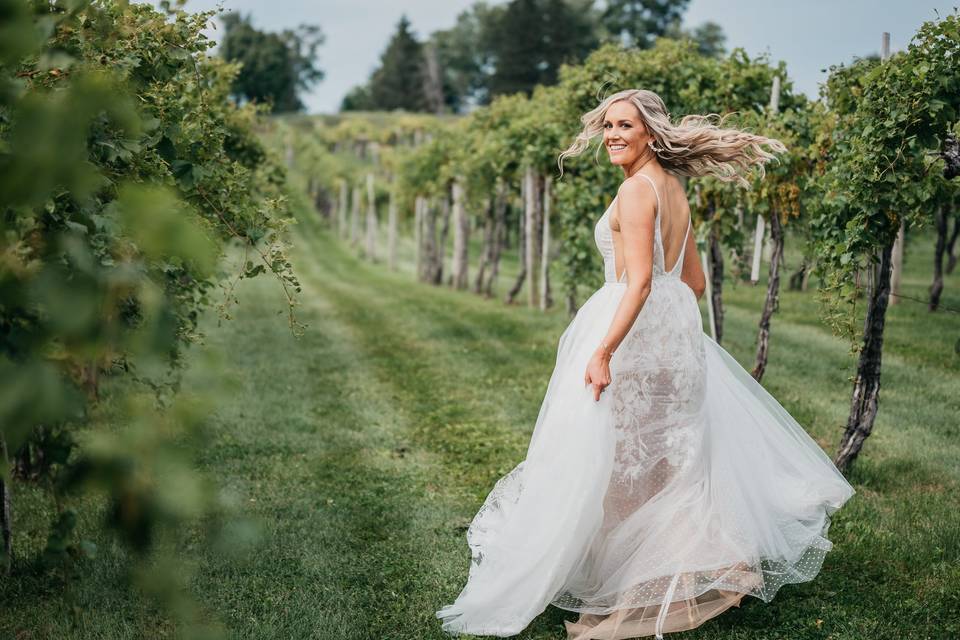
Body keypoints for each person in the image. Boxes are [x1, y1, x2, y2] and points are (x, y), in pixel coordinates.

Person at [435, 89, 856, 640]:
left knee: (617, 471)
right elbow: (695, 282)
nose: (611, 134)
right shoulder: (675, 188)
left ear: (650, 134)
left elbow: (635, 282)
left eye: (624, 126)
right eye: (607, 125)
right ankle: (681, 571)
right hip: (671, 339)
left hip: (631, 337)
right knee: (663, 469)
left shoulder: (637, 190)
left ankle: (634, 594)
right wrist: (672, 329)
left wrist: (604, 350)